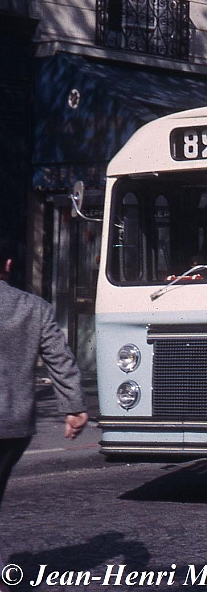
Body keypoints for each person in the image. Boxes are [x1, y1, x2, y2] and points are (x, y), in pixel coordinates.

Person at [0, 239, 89, 579]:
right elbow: (59, 358)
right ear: (8, 264)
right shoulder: (33, 307)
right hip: (14, 425)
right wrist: (74, 406)